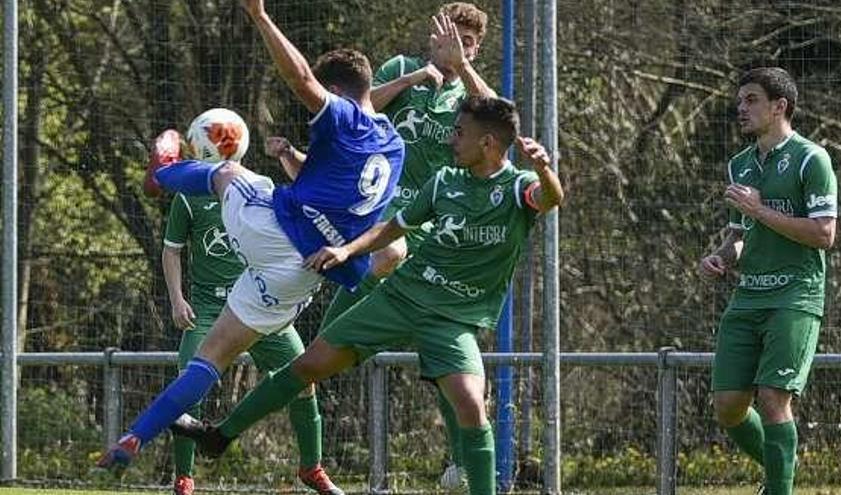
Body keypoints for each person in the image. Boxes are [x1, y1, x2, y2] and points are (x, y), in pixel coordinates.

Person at [173, 96, 564, 495]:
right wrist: (347, 251)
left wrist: (545, 170)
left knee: (470, 402)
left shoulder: (518, 187)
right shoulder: (445, 181)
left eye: (460, 132)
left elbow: (550, 199)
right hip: (399, 298)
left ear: (488, 143)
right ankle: (220, 435)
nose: (451, 140)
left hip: (451, 319)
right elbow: (394, 227)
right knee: (308, 366)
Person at [95, 1, 405, 490]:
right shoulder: (393, 148)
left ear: (341, 93)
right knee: (215, 357)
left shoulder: (345, 118)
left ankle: (166, 173)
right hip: (301, 275)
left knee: (227, 172)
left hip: (273, 231)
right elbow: (340, 197)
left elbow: (302, 78)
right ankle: (135, 436)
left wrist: (260, 16)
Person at [326, 3, 495, 486]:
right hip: (382, 211)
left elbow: (501, 123)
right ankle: (317, 351)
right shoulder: (402, 69)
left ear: (476, 48)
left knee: (442, 357)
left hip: (438, 227)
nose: (453, 47)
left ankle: (463, 461)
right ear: (431, 35)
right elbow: (358, 113)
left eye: (466, 43)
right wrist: (411, 79)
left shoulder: (470, 91)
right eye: (448, 37)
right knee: (388, 253)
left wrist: (461, 68)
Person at [699, 67, 838, 495]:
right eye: (740, 100)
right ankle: (782, 469)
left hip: (795, 295)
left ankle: (780, 488)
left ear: (780, 106)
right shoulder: (740, 164)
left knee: (774, 398)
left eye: (751, 100)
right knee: (728, 407)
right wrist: (721, 257)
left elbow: (824, 234)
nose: (740, 108)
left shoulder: (812, 159)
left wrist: (761, 212)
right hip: (749, 295)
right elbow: (742, 235)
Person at [161, 181, 340, 495]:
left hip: (261, 305)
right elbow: (171, 250)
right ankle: (184, 479)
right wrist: (177, 300)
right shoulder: (189, 197)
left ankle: (312, 468)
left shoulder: (260, 188)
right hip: (209, 312)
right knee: (187, 387)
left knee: (304, 377)